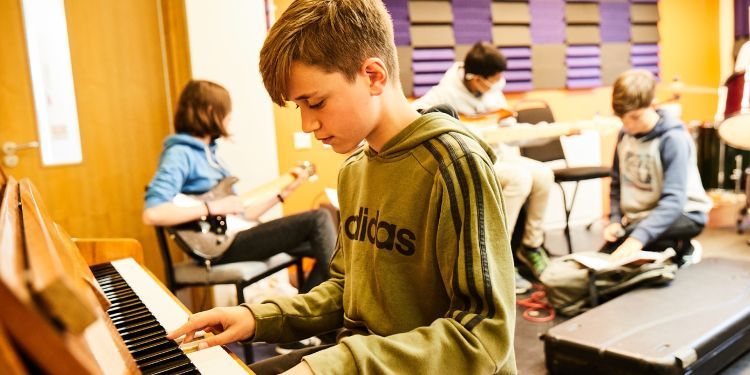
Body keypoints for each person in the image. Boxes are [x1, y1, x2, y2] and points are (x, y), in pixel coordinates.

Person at [167, 1, 517, 374]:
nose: (306, 124)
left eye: (314, 102)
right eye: (299, 107)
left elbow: (483, 338)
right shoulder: (354, 171)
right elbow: (347, 291)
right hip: (361, 357)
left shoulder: (454, 165)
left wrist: (334, 366)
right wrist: (257, 317)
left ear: (373, 76)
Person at [143, 80, 336, 296]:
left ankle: (309, 319)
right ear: (210, 111)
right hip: (220, 247)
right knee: (319, 219)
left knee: (329, 247)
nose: (230, 118)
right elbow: (153, 213)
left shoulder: (211, 155)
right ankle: (339, 304)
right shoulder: (180, 153)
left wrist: (282, 195)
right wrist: (211, 208)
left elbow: (242, 214)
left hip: (235, 235)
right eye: (227, 113)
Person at [412, 41, 553, 287]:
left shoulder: (493, 93)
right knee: (520, 178)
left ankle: (530, 246)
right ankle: (498, 259)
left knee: (543, 174)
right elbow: (413, 119)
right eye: (495, 78)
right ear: (476, 78)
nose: (499, 83)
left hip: (501, 156)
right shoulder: (442, 94)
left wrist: (549, 132)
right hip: (473, 160)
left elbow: (512, 133)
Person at [602, 69, 713, 265]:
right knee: (608, 257)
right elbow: (617, 183)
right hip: (643, 217)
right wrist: (615, 219)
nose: (628, 125)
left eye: (635, 117)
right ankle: (669, 246)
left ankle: (683, 247)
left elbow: (673, 200)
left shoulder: (673, 138)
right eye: (623, 118)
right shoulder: (624, 134)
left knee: (633, 243)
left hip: (684, 214)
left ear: (653, 104)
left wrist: (637, 238)